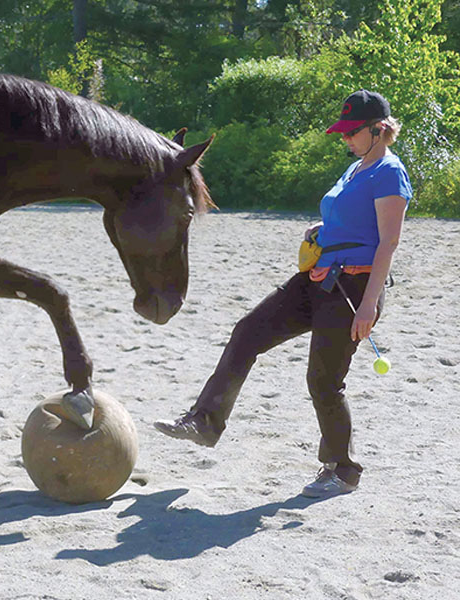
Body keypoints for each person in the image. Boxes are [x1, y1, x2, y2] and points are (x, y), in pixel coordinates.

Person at [153, 90, 413, 498]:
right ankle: (205, 420)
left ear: (378, 130)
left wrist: (367, 306)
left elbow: (388, 243)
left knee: (324, 380)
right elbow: (348, 220)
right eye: (342, 132)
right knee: (248, 331)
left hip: (354, 287)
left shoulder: (389, 173)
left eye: (351, 132)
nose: (344, 138)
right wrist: (320, 232)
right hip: (318, 278)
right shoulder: (356, 168)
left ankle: (342, 470)